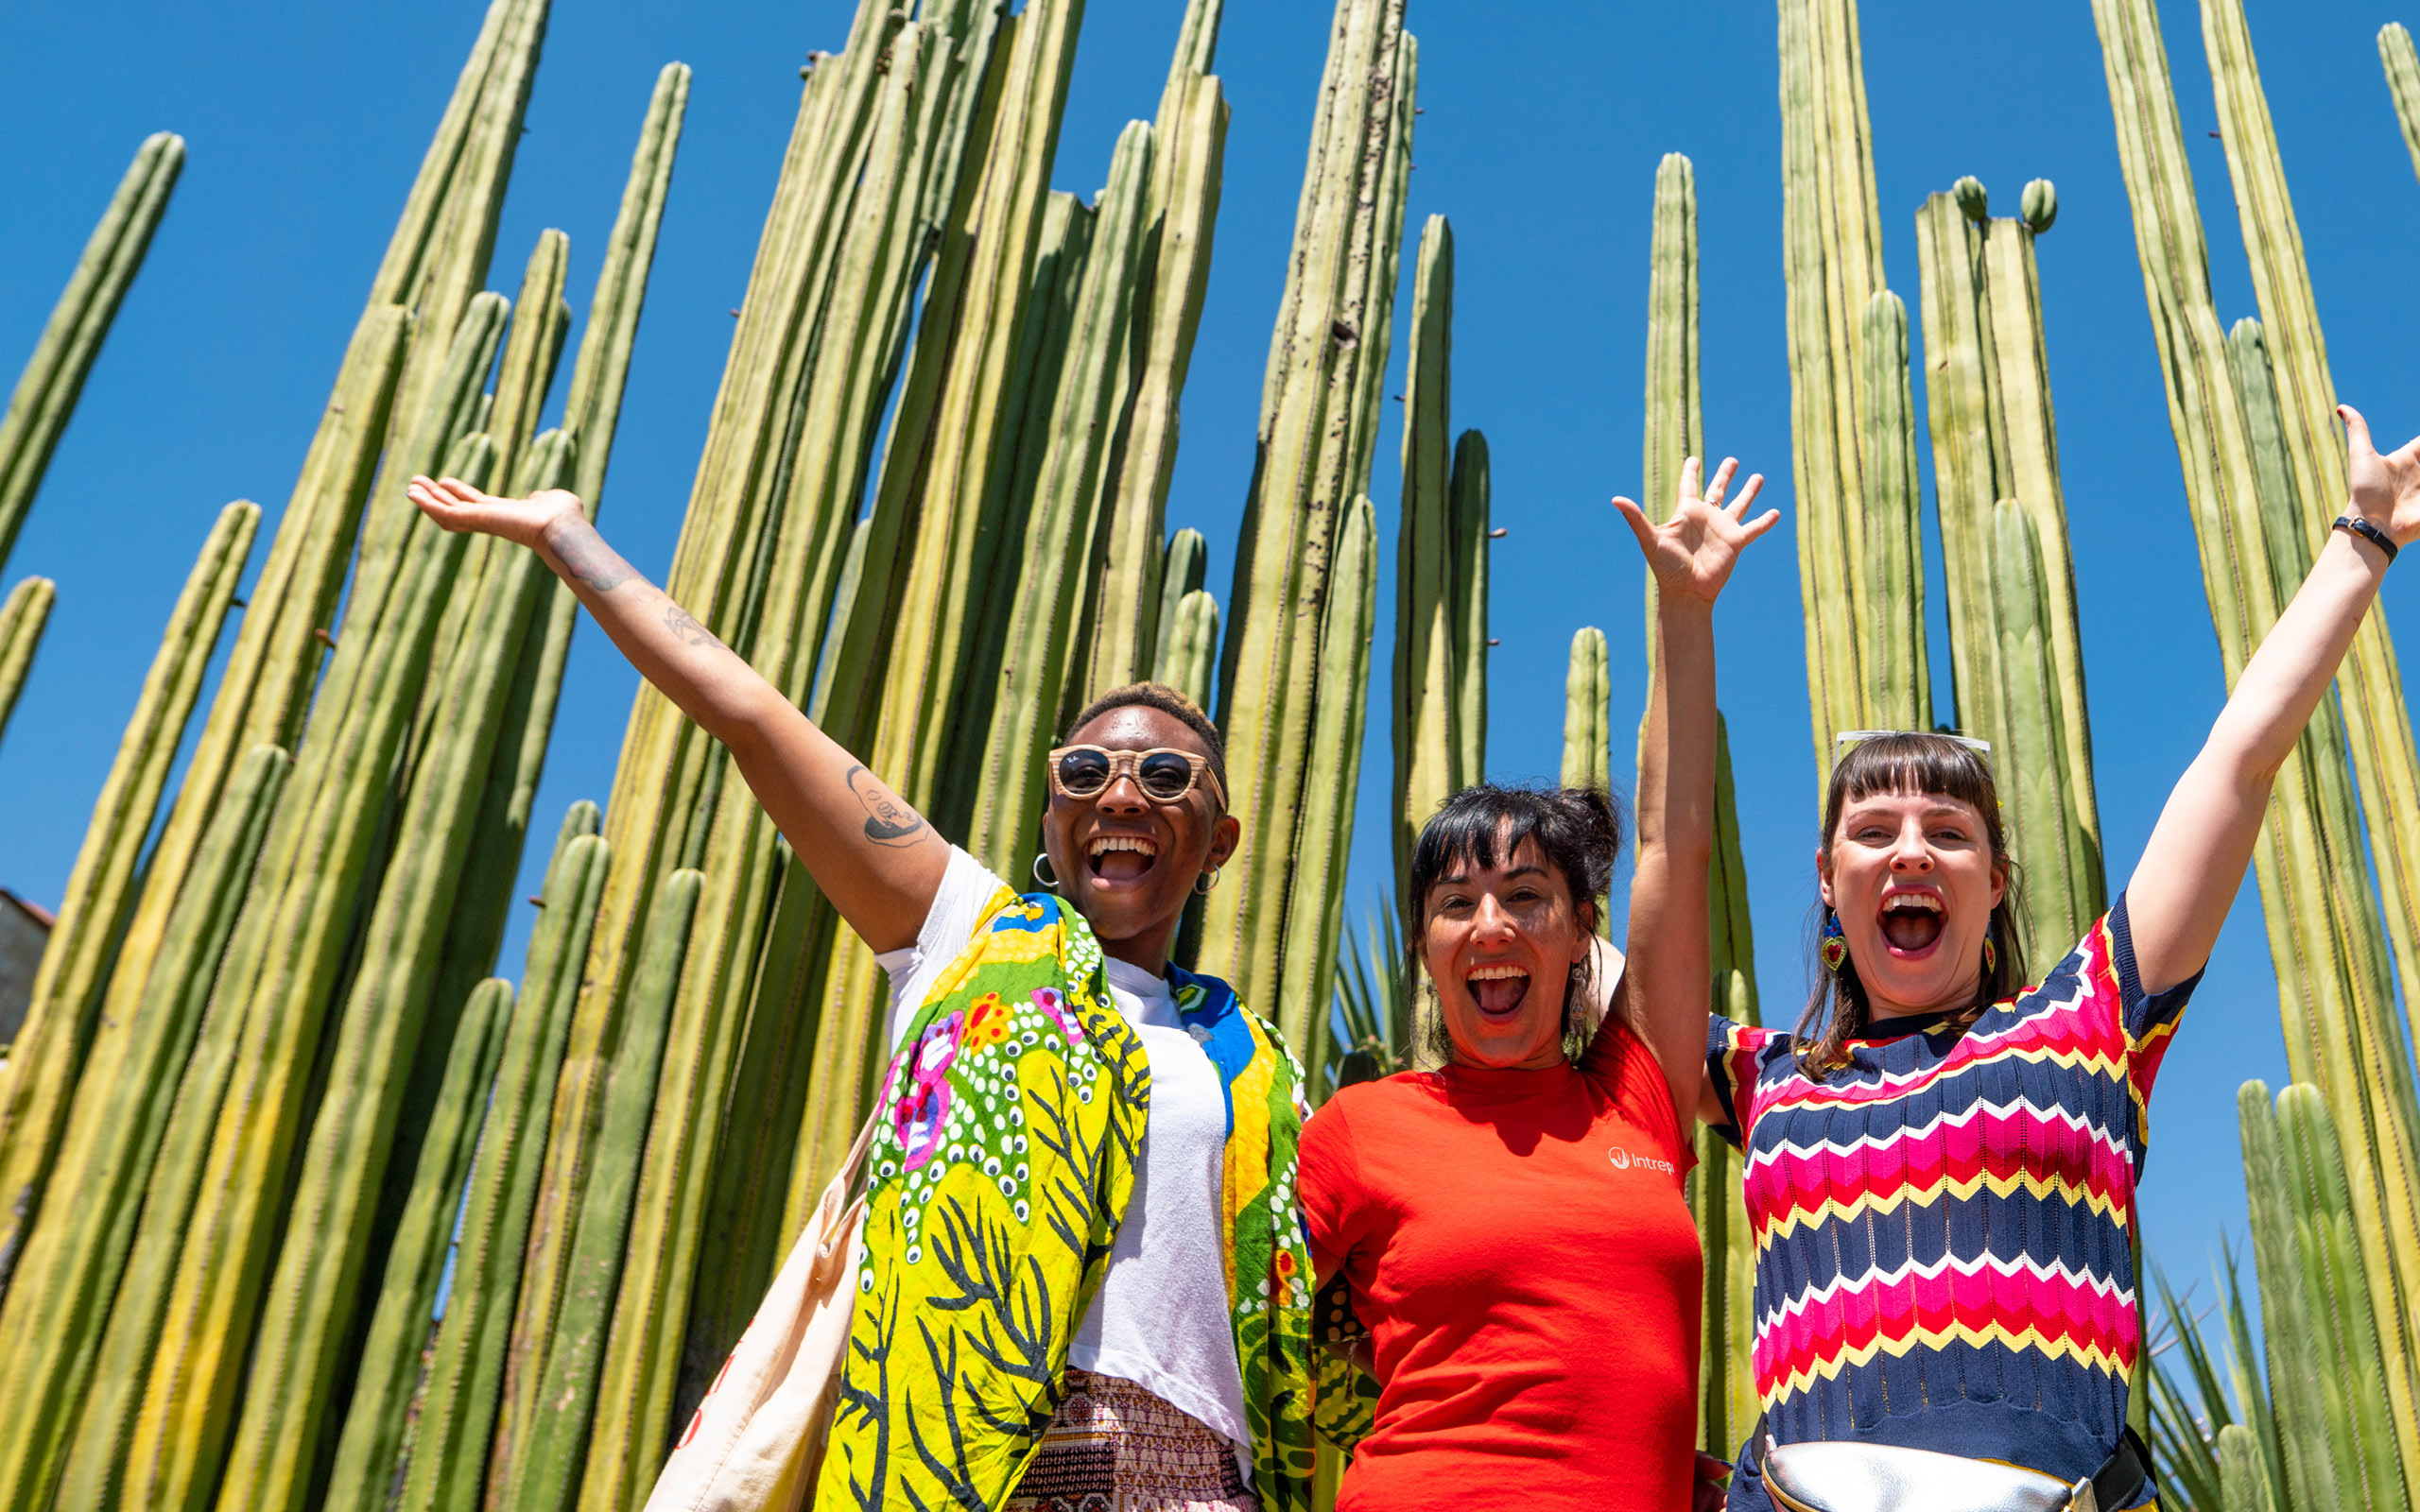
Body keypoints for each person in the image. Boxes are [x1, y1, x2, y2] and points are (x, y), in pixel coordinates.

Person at [406, 477, 1313, 1511]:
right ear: (1052, 814)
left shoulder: (1256, 1062)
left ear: (1219, 839)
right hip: (963, 1466)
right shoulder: (971, 933)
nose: (1119, 792)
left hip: (1199, 1479)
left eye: (1161, 773)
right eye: (1083, 768)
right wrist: (566, 535)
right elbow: (749, 716)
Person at [1703, 404, 2420, 1510]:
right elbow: (1596, 941)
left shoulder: (2085, 1017)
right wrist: (1679, 618)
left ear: (1994, 886)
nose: (1910, 850)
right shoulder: (1758, 1074)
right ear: (1827, 883)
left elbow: (2236, 764)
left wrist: (2358, 541)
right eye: (1874, 831)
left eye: (1948, 833)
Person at [1300, 457, 1778, 1511]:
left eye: (1525, 896)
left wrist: (1684, 613)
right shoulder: (1357, 1128)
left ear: (1578, 935)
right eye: (1455, 904)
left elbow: (1670, 844)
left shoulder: (1638, 1091)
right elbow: (1246, 1323)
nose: (1490, 928)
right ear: (1424, 947)